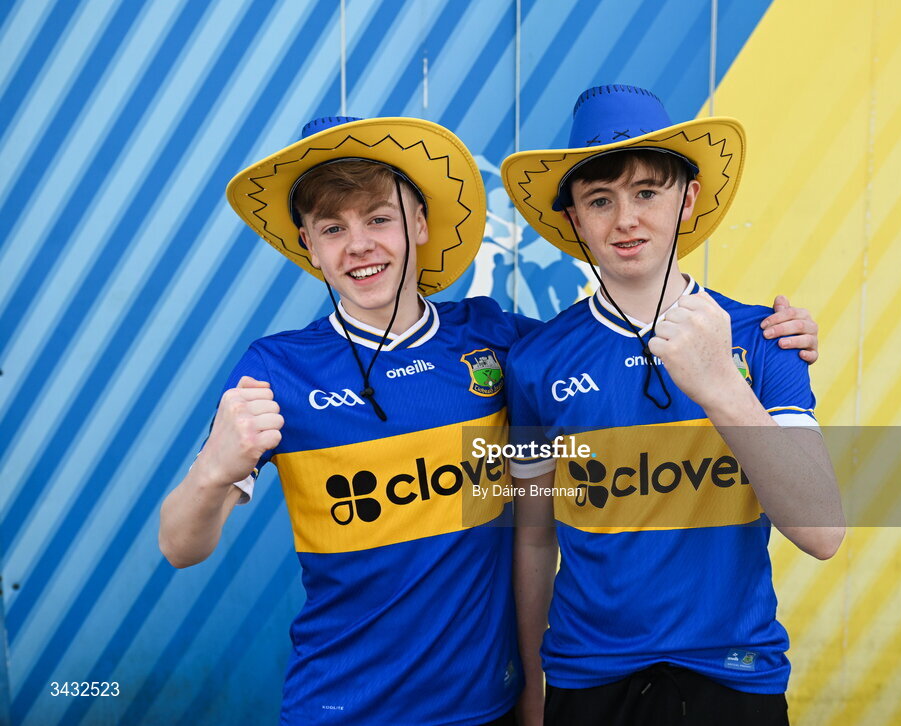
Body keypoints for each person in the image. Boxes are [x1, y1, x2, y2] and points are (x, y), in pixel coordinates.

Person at [159, 113, 821, 725]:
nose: (359, 246)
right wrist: (213, 472)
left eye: (379, 219)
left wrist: (771, 339)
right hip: (338, 706)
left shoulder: (498, 342)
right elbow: (180, 546)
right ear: (307, 243)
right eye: (333, 229)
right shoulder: (277, 369)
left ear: (418, 223)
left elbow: (612, 339)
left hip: (486, 706)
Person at [501, 84, 844, 725]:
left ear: (687, 200)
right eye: (600, 200)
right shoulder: (536, 362)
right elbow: (533, 537)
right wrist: (528, 686)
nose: (625, 219)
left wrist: (719, 383)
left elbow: (823, 532)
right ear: (573, 219)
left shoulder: (766, 338)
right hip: (588, 677)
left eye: (647, 193)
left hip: (734, 676)